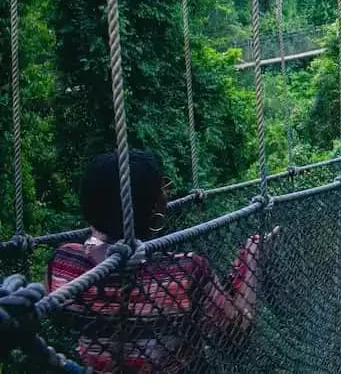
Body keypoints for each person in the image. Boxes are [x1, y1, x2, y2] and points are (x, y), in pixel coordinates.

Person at [47, 151, 276, 373]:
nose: (167, 193)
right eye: (162, 188)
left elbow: (57, 314)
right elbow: (236, 335)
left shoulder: (64, 263)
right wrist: (251, 256)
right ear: (154, 207)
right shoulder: (185, 272)